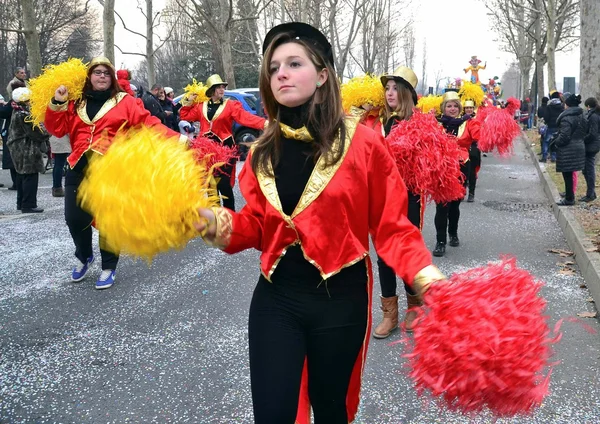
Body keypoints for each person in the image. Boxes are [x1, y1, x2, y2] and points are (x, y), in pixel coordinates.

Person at [192, 22, 445, 424]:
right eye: (273, 67)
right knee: (274, 414)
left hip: (340, 300)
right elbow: (259, 228)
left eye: (294, 63)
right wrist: (213, 223)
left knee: (332, 412)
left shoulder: (362, 143)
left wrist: (431, 282)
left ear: (323, 74)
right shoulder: (259, 152)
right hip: (276, 299)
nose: (281, 74)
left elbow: (392, 227)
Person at [44, 56, 185, 290]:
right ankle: (84, 255)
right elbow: (56, 129)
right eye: (97, 72)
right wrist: (57, 101)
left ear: (112, 77)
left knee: (110, 221)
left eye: (106, 73)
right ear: (89, 76)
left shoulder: (125, 101)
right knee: (74, 218)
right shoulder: (76, 101)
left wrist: (178, 139)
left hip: (112, 170)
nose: (101, 76)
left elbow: (148, 123)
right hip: (78, 167)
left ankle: (108, 267)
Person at [373, 66, 423, 338]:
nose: (389, 93)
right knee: (382, 255)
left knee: (404, 252)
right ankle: (389, 313)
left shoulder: (418, 122)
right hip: (380, 198)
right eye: (387, 88)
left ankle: (415, 305)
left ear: (406, 93)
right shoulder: (377, 120)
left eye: (395, 88)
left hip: (408, 198)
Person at [179, 74, 267, 211]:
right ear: (211, 90)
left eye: (223, 87)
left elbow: (246, 118)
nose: (222, 90)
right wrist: (188, 101)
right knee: (210, 186)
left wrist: (265, 123)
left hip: (225, 150)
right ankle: (216, 219)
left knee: (224, 185)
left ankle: (230, 217)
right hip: (206, 152)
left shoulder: (230, 105)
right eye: (218, 87)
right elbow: (184, 115)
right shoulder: (201, 106)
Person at [433, 90, 479, 257]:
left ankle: (453, 232)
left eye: (455, 106)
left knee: (454, 204)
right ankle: (440, 241)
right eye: (449, 106)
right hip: (441, 168)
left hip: (461, 167)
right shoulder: (436, 125)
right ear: (443, 108)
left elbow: (479, 136)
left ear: (460, 108)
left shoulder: (468, 123)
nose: (452, 109)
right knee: (441, 205)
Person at [6, 87, 49, 213]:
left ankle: (21, 203)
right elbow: (36, 133)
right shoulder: (25, 114)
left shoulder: (16, 110)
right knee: (30, 175)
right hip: (27, 148)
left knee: (21, 174)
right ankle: (29, 204)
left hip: (17, 147)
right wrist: (48, 132)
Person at [552, 94, 586, 206]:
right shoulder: (582, 115)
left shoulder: (567, 118)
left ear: (568, 105)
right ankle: (569, 196)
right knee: (570, 174)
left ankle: (569, 199)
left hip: (568, 149)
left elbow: (564, 136)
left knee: (567, 175)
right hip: (579, 147)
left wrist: (556, 142)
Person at [581, 97, 600, 202]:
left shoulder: (593, 116)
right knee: (586, 169)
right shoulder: (595, 114)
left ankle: (590, 194)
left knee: (589, 170)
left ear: (588, 106)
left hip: (591, 145)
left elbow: (593, 133)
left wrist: (583, 140)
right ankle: (591, 192)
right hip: (593, 144)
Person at [463, 99, 481, 202]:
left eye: (470, 108)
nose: (469, 109)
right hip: (463, 149)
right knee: (463, 172)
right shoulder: (460, 119)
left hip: (474, 149)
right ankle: (462, 192)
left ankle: (471, 193)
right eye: (467, 108)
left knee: (472, 173)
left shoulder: (477, 119)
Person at [542, 91, 564, 162]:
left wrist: (547, 122)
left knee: (546, 141)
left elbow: (546, 117)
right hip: (559, 127)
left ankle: (544, 156)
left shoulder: (549, 106)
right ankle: (554, 157)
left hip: (551, 126)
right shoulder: (561, 106)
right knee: (556, 141)